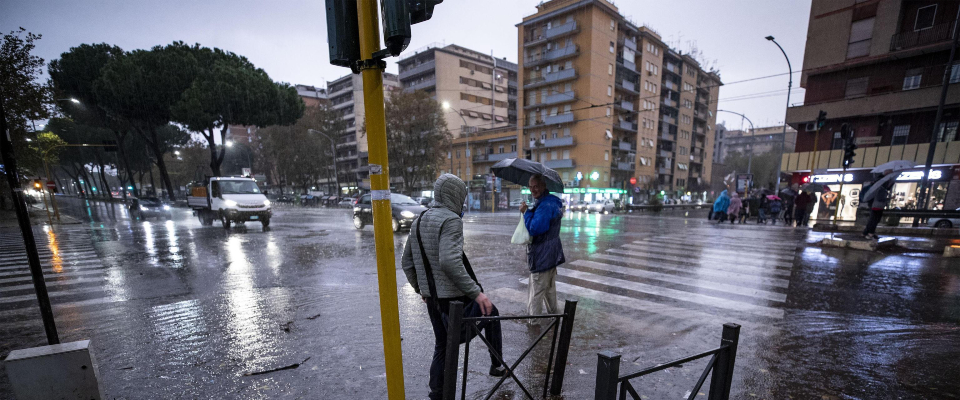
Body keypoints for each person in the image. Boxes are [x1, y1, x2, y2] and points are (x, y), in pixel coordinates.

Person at [401, 174, 505, 399]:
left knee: (443, 344)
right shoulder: (451, 220)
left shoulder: (419, 220)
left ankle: (437, 394)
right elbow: (449, 261)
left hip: (433, 301)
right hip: (454, 303)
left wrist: (423, 290)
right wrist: (476, 294)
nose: (463, 202)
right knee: (491, 313)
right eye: (462, 196)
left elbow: (407, 262)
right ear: (456, 195)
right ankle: (497, 366)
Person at [520, 174, 565, 316]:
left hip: (542, 256)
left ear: (543, 186)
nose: (533, 190)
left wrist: (526, 212)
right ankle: (556, 318)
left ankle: (533, 325)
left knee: (536, 293)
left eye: (536, 186)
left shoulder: (545, 205)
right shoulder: (549, 202)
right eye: (531, 187)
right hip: (551, 254)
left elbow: (535, 228)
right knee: (549, 291)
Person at [863, 173, 894, 240]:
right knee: (875, 220)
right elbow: (880, 198)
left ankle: (867, 232)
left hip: (875, 206)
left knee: (872, 220)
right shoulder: (881, 189)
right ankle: (870, 233)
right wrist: (889, 199)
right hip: (878, 207)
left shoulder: (877, 187)